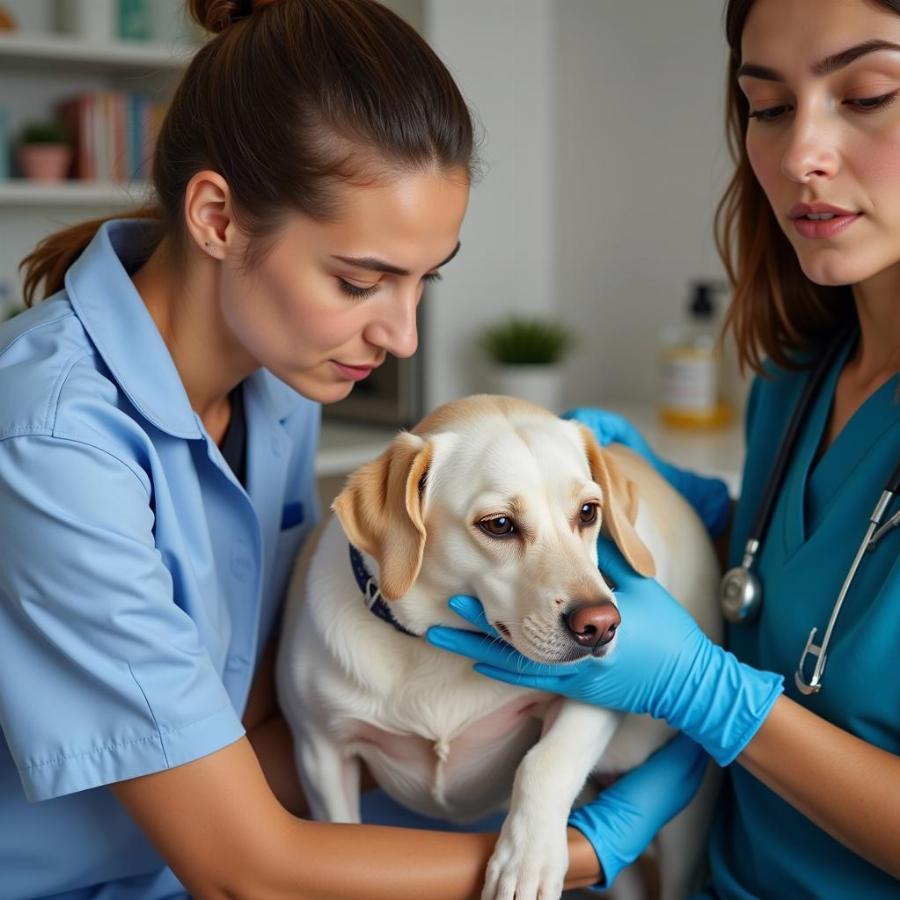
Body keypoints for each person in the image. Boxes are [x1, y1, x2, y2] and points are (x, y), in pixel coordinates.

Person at [0, 1, 639, 897]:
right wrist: (585, 850)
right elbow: (240, 867)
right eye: (359, 281)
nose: (404, 336)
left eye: (424, 279)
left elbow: (262, 703)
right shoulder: (53, 439)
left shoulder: (281, 380)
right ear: (218, 218)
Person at [429, 0, 900, 895]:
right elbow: (792, 592)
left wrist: (706, 697)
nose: (802, 154)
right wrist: (687, 516)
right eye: (766, 107)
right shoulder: (797, 376)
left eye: (870, 93)